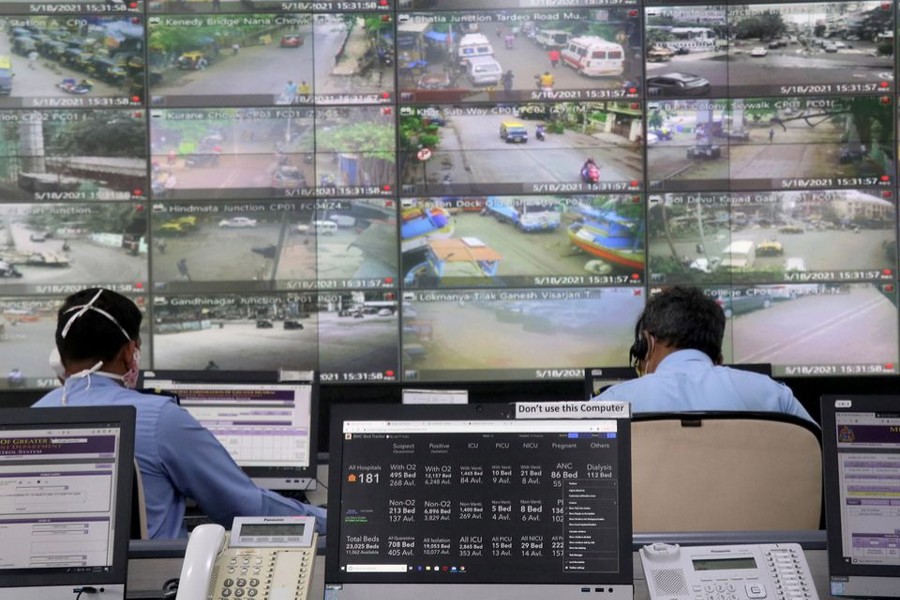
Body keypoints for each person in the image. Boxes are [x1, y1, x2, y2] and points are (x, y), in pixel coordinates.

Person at [32, 288, 326, 538]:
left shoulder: (30, 418)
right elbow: (246, 509)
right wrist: (334, 522)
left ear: (60, 355)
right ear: (128, 352)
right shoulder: (158, 418)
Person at [593, 286, 814, 422]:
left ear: (648, 344)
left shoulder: (610, 404)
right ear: (718, 359)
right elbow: (823, 466)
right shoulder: (776, 399)